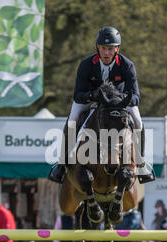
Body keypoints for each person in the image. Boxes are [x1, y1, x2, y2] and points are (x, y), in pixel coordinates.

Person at [48, 26, 155, 185]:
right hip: (92, 99)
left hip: (119, 104)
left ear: (117, 49)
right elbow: (78, 95)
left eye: (110, 49)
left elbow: (137, 97)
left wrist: (121, 99)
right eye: (103, 48)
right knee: (73, 119)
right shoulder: (86, 64)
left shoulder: (127, 65)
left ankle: (140, 164)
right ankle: (62, 163)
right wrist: (92, 95)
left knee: (138, 121)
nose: (106, 53)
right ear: (97, 47)